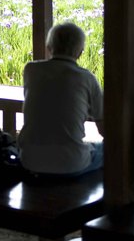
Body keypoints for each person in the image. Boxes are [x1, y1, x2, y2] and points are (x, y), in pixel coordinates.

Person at [18, 22, 104, 177]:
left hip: (30, 160)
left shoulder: (31, 70)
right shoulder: (86, 77)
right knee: (106, 149)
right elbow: (104, 129)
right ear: (80, 52)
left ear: (49, 47)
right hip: (72, 163)